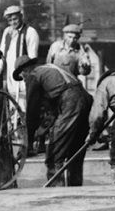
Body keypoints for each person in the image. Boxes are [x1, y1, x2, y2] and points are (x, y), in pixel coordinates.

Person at [13, 55, 92, 186]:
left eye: (21, 76)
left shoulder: (33, 75)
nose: (23, 79)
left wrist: (29, 141)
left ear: (24, 70)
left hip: (71, 101)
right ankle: (76, 189)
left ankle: (56, 192)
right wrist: (40, 132)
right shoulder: (51, 69)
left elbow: (32, 112)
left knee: (55, 153)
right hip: (85, 99)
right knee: (75, 152)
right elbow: (52, 114)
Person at [0, 4, 39, 112]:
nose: (12, 23)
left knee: (23, 108)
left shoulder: (30, 32)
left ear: (21, 16)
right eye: (9, 20)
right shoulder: (7, 32)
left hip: (23, 78)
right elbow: (1, 55)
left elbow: (32, 59)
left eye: (15, 19)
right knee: (11, 108)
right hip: (9, 77)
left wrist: (25, 75)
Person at [46, 23, 100, 90]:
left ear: (78, 38)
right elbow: (48, 65)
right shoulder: (55, 46)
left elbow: (84, 72)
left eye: (75, 38)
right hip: (54, 82)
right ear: (64, 36)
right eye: (70, 37)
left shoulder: (81, 51)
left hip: (71, 84)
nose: (72, 40)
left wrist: (85, 67)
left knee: (87, 99)